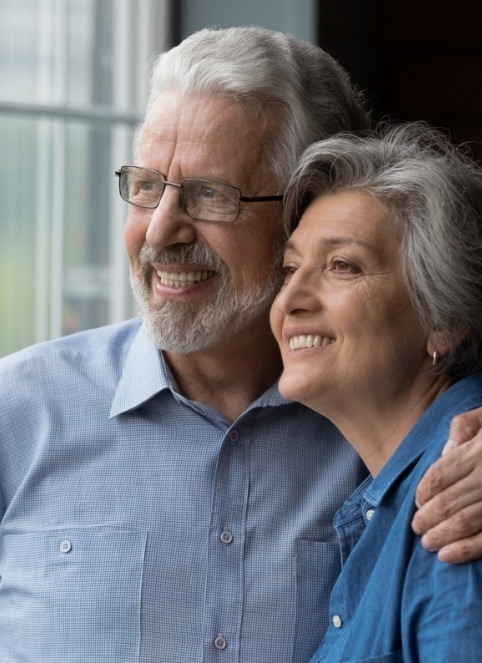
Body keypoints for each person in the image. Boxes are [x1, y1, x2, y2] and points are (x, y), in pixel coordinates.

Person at [0, 26, 481, 663]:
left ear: (306, 211)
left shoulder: (400, 423)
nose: (161, 232)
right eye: (146, 185)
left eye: (211, 195)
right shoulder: (19, 411)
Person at [270, 121, 482, 661]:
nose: (290, 298)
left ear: (444, 320)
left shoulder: (457, 502)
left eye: (343, 266)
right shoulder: (390, 490)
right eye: (290, 268)